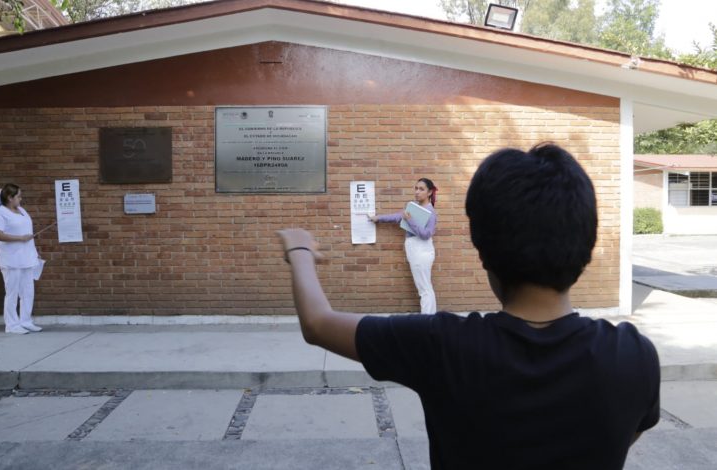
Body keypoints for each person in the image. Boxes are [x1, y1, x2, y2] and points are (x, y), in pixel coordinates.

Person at [277, 143, 659, 470]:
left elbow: (317, 323)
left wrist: (300, 251)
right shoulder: (634, 357)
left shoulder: (441, 345)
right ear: (587, 241)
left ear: (482, 249)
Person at [369, 178, 438, 314]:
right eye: (416, 188)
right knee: (423, 287)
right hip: (414, 249)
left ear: (429, 192)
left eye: (421, 189)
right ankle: (429, 319)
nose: (417, 192)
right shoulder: (414, 207)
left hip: (421, 250)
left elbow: (426, 234)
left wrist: (410, 219)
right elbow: (397, 217)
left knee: (424, 288)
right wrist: (378, 218)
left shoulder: (430, 212)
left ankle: (428, 320)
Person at [0, 183, 43, 334]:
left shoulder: (22, 211)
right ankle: (12, 325)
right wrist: (21, 238)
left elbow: (28, 232)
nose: (21, 198)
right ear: (9, 197)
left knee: (28, 291)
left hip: (27, 257)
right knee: (12, 292)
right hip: (11, 259)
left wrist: (34, 251)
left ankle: (26, 321)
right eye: (18, 196)